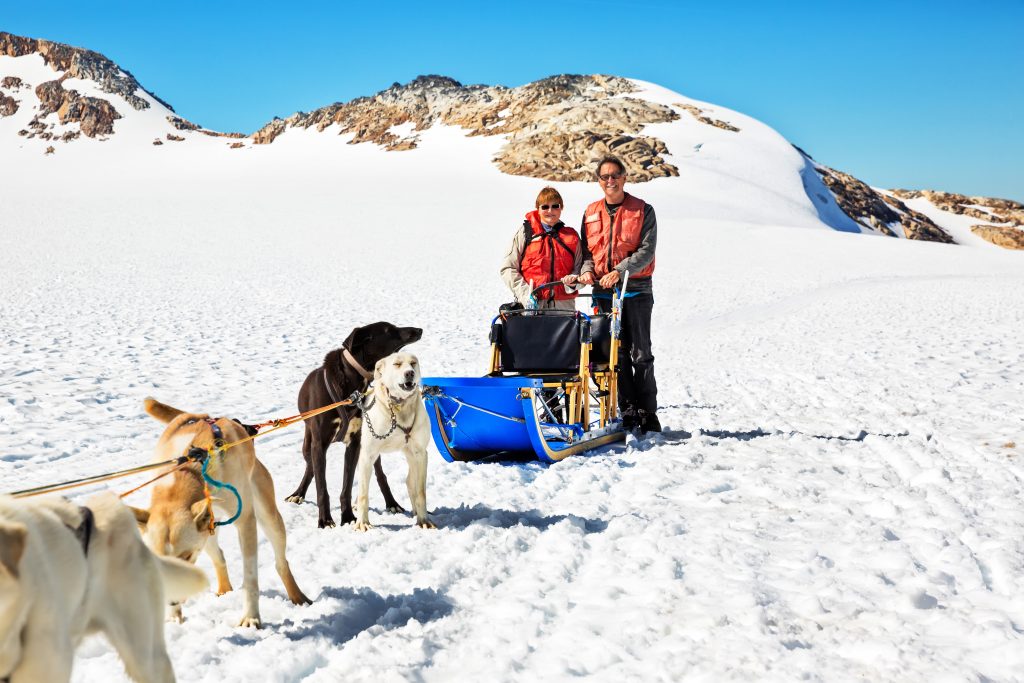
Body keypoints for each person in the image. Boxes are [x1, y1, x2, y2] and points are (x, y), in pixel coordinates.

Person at [565, 155, 661, 434]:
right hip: (604, 295)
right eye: (605, 176)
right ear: (599, 181)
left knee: (641, 353)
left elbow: (647, 250)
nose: (610, 180)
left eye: (615, 175)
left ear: (624, 177)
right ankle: (628, 409)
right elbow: (586, 252)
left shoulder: (644, 210)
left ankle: (648, 412)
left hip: (636, 292)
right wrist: (586, 272)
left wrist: (619, 270)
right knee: (613, 356)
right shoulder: (591, 211)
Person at [500, 186, 582, 310]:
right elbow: (508, 268)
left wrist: (573, 282)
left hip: (564, 308)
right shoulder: (526, 233)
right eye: (545, 206)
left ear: (561, 208)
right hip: (531, 306)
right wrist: (526, 294)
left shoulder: (572, 237)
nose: (550, 210)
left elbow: (580, 270)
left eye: (555, 206)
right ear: (538, 209)